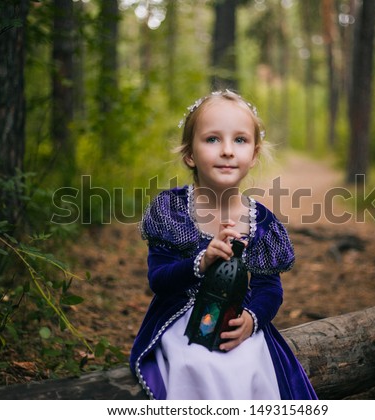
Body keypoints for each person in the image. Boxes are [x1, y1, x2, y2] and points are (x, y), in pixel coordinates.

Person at [129, 90, 317, 400]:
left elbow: (270, 289)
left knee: (246, 365)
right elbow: (158, 280)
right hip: (181, 322)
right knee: (197, 364)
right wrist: (200, 263)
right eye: (213, 139)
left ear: (254, 155)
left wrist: (252, 320)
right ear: (190, 154)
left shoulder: (261, 221)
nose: (227, 150)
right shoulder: (172, 210)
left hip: (235, 322)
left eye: (240, 140)